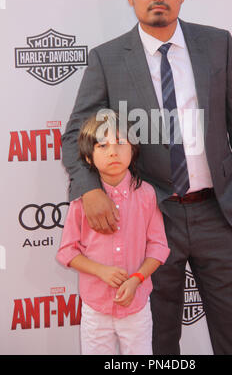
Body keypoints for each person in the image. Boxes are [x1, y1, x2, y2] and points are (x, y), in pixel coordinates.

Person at [61, 0, 232, 355]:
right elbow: (74, 136)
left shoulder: (217, 44)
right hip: (150, 218)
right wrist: (90, 190)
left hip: (220, 213)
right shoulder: (107, 59)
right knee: (155, 339)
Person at [57, 111, 170, 355]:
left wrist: (136, 279)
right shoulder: (82, 202)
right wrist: (101, 272)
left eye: (121, 143)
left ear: (133, 149)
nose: (113, 152)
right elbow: (67, 251)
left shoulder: (147, 195)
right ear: (88, 157)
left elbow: (159, 247)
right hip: (95, 308)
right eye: (102, 145)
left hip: (136, 305)